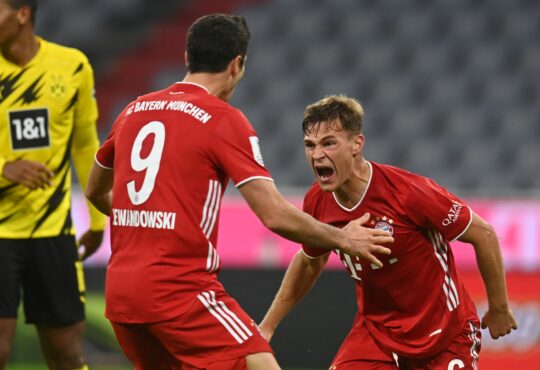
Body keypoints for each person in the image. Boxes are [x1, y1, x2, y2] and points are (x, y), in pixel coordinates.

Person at [84, 14, 394, 370]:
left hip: (122, 294)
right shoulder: (223, 119)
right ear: (237, 64)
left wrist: (143, 221)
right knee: (260, 364)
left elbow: (95, 189)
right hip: (179, 292)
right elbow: (273, 214)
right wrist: (344, 238)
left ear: (187, 57)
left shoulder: (133, 110)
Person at [259, 95, 518, 370]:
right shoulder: (317, 202)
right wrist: (267, 327)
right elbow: (310, 261)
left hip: (445, 335)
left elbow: (484, 234)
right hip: (377, 335)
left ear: (357, 144)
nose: (317, 155)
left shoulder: (409, 193)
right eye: (309, 145)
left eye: (329, 143)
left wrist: (499, 307)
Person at [0, 0, 107, 369]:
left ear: (22, 13)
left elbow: (84, 145)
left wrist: (96, 220)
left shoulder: (72, 66)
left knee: (66, 354)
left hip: (52, 230)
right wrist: (4, 168)